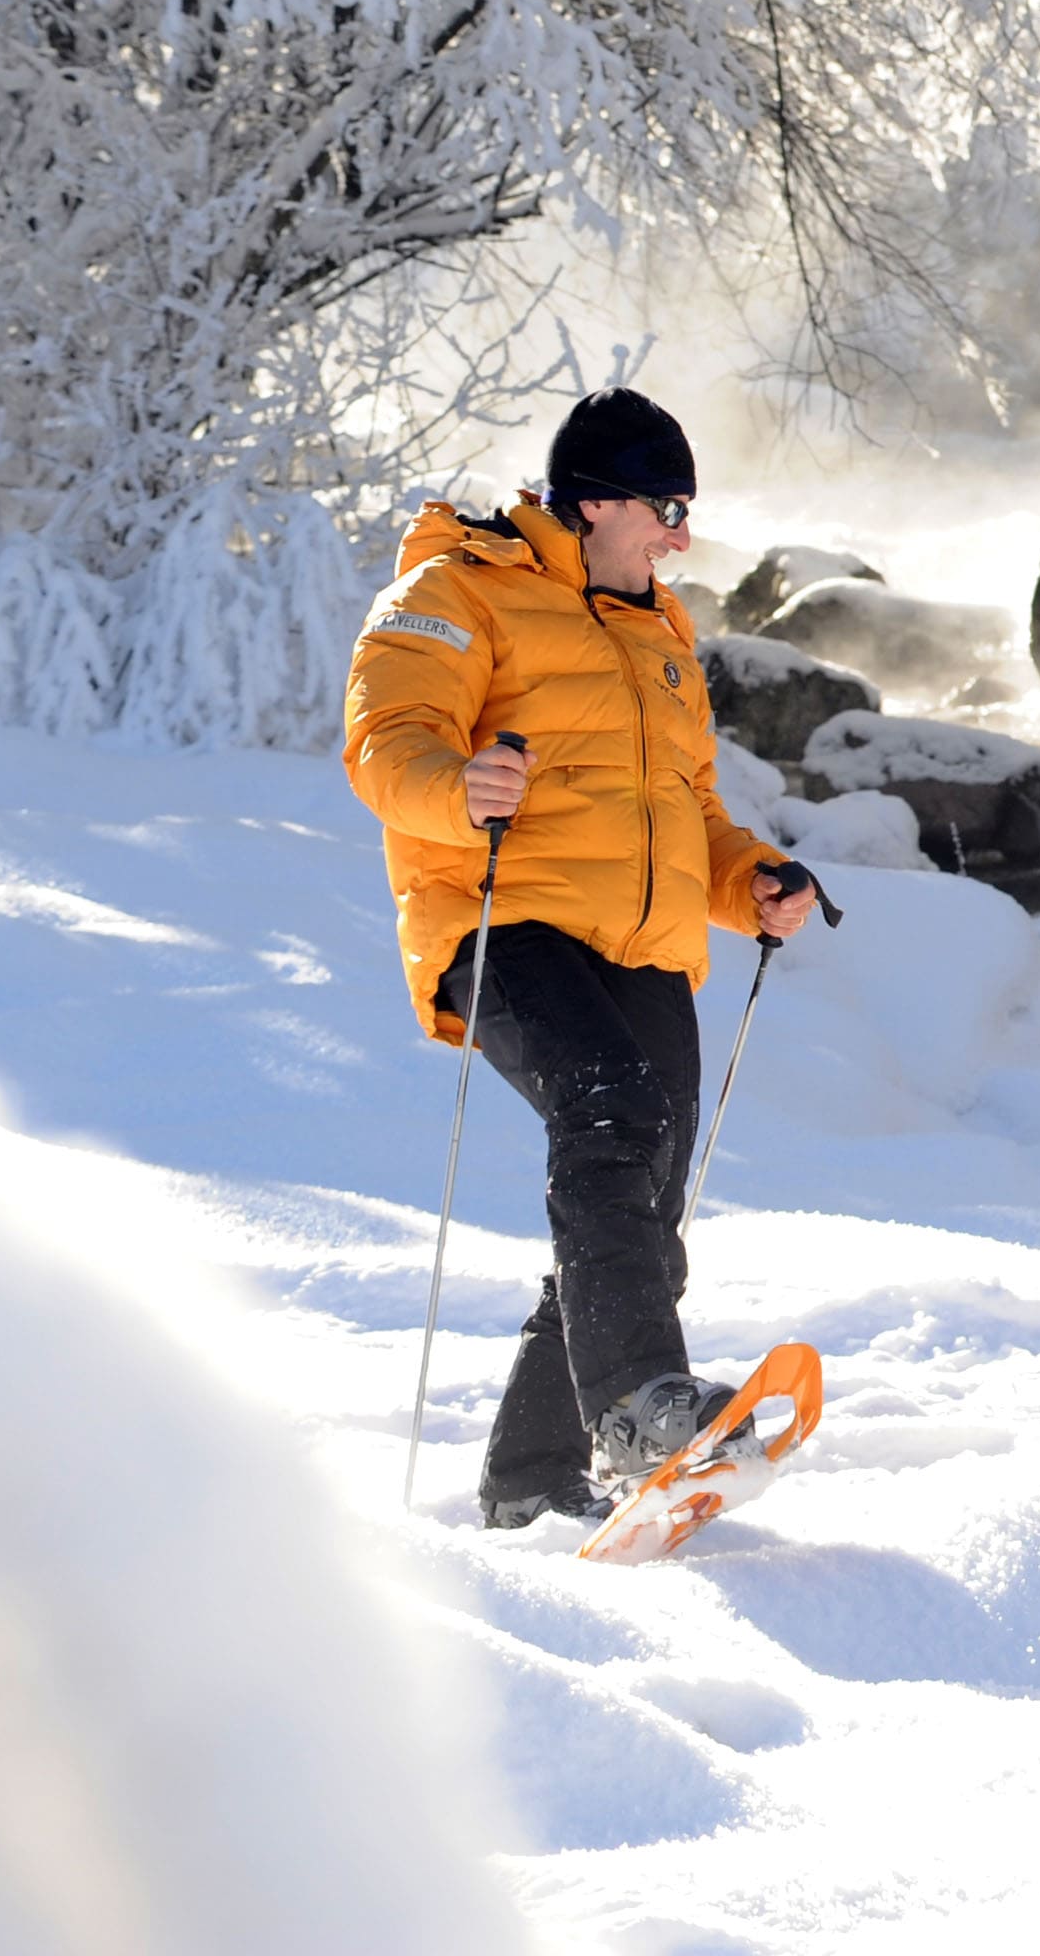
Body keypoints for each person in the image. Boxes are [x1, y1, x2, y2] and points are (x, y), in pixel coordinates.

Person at [343, 387, 824, 1528]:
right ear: (596, 500)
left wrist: (747, 879)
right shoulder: (454, 588)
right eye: (666, 506)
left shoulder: (660, 629)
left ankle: (530, 1478)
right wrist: (457, 788)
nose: (679, 535)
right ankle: (639, 1406)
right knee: (609, 1115)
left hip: (645, 947)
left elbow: (686, 806)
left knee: (643, 1205)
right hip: (501, 918)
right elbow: (386, 741)